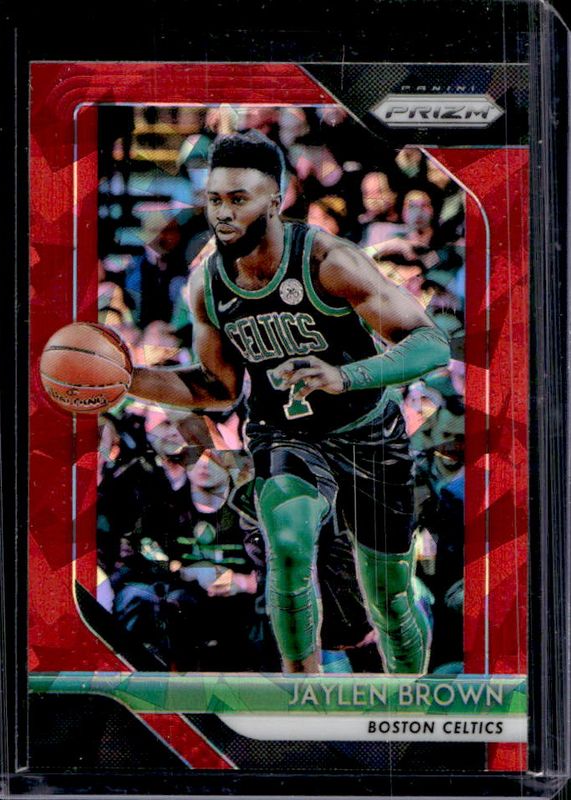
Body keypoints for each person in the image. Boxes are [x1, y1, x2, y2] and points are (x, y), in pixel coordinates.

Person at [126, 130, 451, 674]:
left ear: (275, 201)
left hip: (368, 430)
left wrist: (345, 376)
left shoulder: (328, 259)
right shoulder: (207, 284)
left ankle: (409, 702)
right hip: (285, 433)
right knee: (289, 545)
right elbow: (216, 389)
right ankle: (304, 691)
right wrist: (127, 379)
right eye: (214, 200)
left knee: (389, 601)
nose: (223, 214)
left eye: (238, 199)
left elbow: (431, 345)